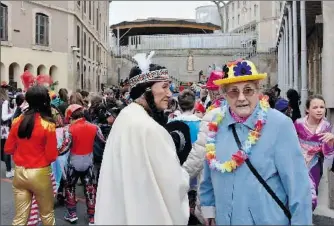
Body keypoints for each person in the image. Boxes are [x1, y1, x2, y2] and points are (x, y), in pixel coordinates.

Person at [199, 59, 312, 225]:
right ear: (224, 95)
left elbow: (298, 187)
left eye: (248, 90)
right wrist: (208, 208)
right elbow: (210, 170)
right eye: (233, 92)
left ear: (258, 91)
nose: (241, 98)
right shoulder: (217, 123)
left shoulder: (280, 125)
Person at [95, 51, 190, 225]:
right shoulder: (150, 128)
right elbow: (173, 185)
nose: (170, 94)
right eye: (164, 86)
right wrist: (184, 173)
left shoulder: (125, 116)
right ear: (146, 90)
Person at [5, 85, 58, 225]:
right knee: (47, 215)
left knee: (20, 218)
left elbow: (8, 149)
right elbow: (52, 156)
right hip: (40, 172)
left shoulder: (17, 122)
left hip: (20, 172)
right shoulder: (48, 125)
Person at [62, 104, 104, 224]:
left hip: (73, 163)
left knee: (70, 187)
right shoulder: (94, 127)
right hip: (89, 162)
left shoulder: (69, 129)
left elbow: (65, 148)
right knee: (90, 189)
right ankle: (92, 216)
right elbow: (103, 141)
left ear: (70, 116)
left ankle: (72, 214)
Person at [294, 94, 334, 210]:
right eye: (315, 107)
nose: (319, 110)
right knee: (295, 191)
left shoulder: (326, 126)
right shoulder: (298, 123)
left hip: (315, 163)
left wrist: (331, 142)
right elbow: (289, 141)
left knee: (311, 194)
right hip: (297, 160)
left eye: (322, 107)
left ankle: (306, 217)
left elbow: (328, 154)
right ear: (307, 109)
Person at [0, 82, 14, 178]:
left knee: (2, 148)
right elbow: (4, 117)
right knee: (6, 149)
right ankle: (8, 170)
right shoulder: (5, 102)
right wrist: (12, 113)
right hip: (4, 128)